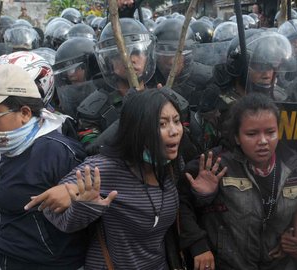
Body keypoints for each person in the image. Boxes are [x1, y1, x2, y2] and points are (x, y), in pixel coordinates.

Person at [25, 89, 198, 269]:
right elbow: (61, 218)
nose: (174, 131)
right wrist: (84, 205)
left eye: (176, 121)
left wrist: (203, 195)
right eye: (162, 124)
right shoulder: (106, 167)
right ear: (137, 129)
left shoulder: (172, 166)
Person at [0, 64, 87, 269]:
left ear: (24, 112)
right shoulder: (12, 145)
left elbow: (88, 210)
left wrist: (75, 193)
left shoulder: (56, 152)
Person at [180, 93, 297, 269]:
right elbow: (181, 204)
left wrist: (290, 236)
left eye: (270, 132)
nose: (263, 141)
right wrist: (198, 243)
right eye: (252, 134)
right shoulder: (214, 164)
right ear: (237, 137)